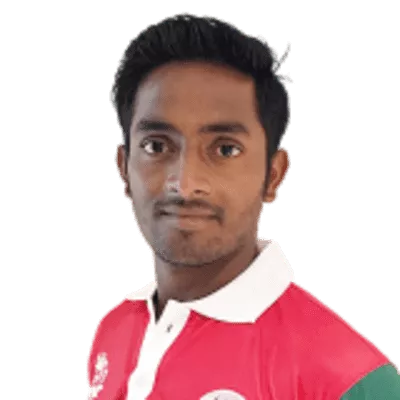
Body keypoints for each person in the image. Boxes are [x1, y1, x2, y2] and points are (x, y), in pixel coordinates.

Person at [86, 11, 400, 400]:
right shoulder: (115, 328)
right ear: (123, 167)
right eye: (157, 146)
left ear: (273, 176)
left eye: (225, 149)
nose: (184, 184)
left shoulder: (348, 379)